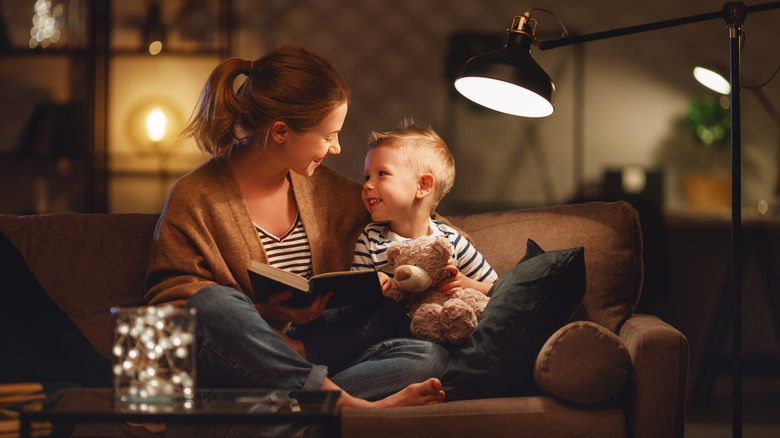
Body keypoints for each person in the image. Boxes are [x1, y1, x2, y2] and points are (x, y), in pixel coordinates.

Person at [144, 45, 447, 408]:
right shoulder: (195, 197)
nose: (336, 148)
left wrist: (452, 269)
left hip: (320, 354)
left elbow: (419, 224)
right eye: (327, 135)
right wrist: (265, 313)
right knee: (211, 303)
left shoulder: (332, 192)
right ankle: (348, 407)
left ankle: (289, 407)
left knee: (429, 357)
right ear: (281, 131)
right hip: (241, 365)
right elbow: (174, 309)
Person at [352, 119, 498, 295]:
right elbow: (354, 297)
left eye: (382, 174)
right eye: (367, 177)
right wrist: (372, 286)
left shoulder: (451, 241)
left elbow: (499, 289)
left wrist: (468, 284)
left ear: (423, 185)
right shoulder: (370, 239)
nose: (367, 185)